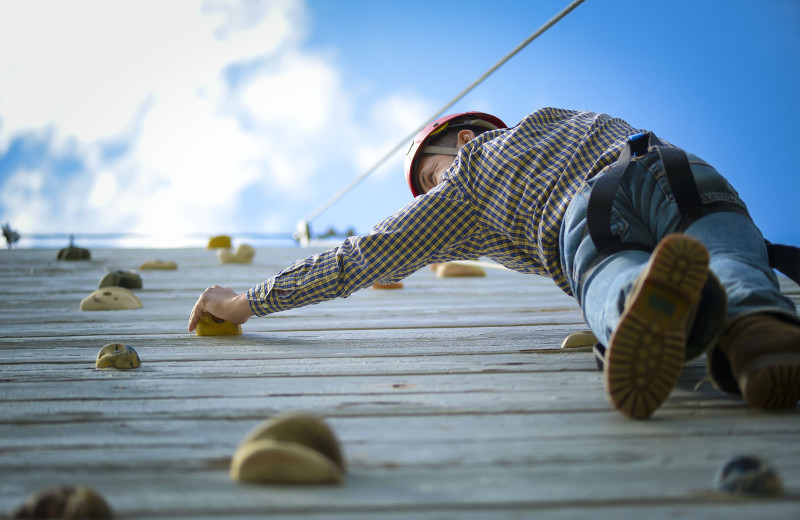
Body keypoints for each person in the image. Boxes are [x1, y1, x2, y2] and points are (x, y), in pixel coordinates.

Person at [189, 107, 800, 419]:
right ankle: (757, 336)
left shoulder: (467, 183)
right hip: (672, 167)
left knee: (611, 275)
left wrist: (246, 302)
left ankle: (646, 306)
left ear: (458, 142)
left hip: (589, 215)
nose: (432, 193)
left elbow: (359, 256)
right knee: (729, 254)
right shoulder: (555, 118)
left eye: (429, 178)